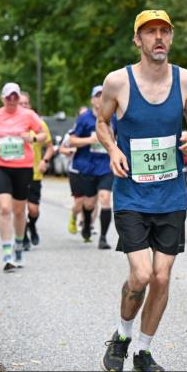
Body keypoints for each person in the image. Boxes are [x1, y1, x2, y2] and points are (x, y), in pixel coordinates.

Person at [97, 9, 187, 372]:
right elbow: (102, 122)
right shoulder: (117, 82)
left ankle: (143, 350)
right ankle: (122, 335)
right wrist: (113, 149)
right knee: (141, 275)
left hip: (171, 195)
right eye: (150, 32)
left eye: (164, 31)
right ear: (137, 40)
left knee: (162, 275)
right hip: (131, 195)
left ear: (171, 38)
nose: (158, 38)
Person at [0, 82, 46, 271]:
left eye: (15, 96)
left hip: (23, 167)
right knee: (4, 208)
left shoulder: (28, 115)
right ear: (2, 98)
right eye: (8, 96)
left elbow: (43, 134)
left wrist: (32, 138)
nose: (12, 99)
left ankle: (18, 245)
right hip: (0, 166)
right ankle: (7, 253)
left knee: (19, 211)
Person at [64, 85, 117, 249]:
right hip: (86, 166)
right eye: (98, 95)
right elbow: (72, 140)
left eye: (104, 95)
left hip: (106, 166)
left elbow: (121, 137)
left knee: (105, 199)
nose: (101, 99)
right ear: (92, 99)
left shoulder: (114, 117)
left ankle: (103, 238)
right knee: (88, 204)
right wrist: (90, 140)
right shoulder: (84, 118)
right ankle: (86, 223)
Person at [18, 92, 55, 250]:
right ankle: (23, 234)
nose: (23, 106)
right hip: (17, 172)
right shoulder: (11, 125)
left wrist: (44, 161)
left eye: (26, 103)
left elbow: (50, 148)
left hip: (34, 173)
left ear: (30, 106)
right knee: (20, 208)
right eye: (21, 103)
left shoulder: (39, 125)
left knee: (33, 209)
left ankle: (31, 225)